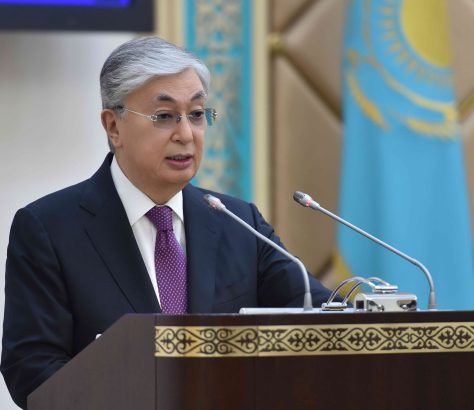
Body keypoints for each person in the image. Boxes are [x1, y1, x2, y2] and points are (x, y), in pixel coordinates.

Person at [1, 36, 334, 409]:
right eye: (164, 116)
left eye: (196, 114)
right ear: (113, 126)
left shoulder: (239, 223)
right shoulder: (48, 229)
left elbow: (323, 319)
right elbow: (30, 369)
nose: (186, 134)